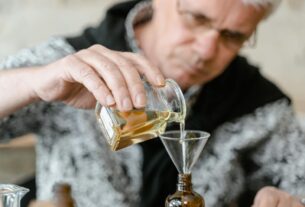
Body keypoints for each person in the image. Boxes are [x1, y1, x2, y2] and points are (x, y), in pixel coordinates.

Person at [0, 0, 304, 206]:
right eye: (197, 18)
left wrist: (286, 198)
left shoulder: (261, 104)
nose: (207, 50)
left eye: (232, 36)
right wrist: (32, 82)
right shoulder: (66, 62)